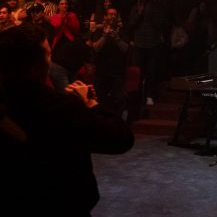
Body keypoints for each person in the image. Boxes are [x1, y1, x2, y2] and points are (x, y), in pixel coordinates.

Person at [0, 23, 134, 215]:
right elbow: (120, 139)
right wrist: (90, 105)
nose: (50, 60)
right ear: (35, 65)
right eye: (47, 54)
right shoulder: (60, 108)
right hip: (62, 204)